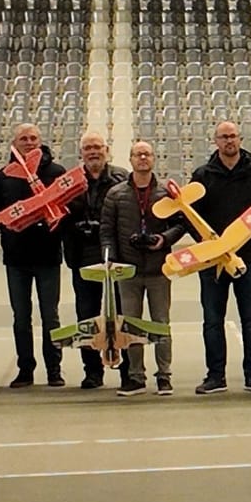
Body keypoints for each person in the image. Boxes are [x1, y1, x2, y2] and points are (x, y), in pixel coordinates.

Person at [189, 122, 251, 395]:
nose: (229, 141)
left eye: (233, 136)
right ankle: (215, 376)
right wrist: (206, 246)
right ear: (215, 140)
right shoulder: (202, 175)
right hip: (212, 261)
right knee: (212, 320)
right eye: (224, 137)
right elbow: (190, 217)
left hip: (250, 259)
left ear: (240, 139)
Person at [101, 140, 187, 397]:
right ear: (130, 159)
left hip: (159, 269)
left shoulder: (166, 192)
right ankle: (136, 376)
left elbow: (180, 224)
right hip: (128, 271)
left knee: (161, 323)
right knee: (131, 325)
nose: (142, 158)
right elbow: (107, 231)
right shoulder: (115, 194)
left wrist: (164, 239)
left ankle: (164, 375)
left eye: (147, 154)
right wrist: (111, 259)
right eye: (138, 154)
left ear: (153, 159)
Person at [0, 124, 70, 388]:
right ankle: (25, 369)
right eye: (23, 138)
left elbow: (67, 208)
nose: (29, 142)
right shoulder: (5, 176)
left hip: (48, 256)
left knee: (51, 316)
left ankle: (54, 369)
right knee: (21, 317)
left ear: (40, 141)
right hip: (16, 259)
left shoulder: (56, 172)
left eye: (33, 138)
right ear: (15, 143)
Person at [58, 131, 127, 389]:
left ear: (106, 150)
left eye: (97, 147)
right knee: (86, 316)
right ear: (81, 153)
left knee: (120, 315)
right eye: (88, 148)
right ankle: (92, 371)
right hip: (82, 258)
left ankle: (128, 371)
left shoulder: (122, 178)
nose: (93, 152)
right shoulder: (69, 182)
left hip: (115, 259)